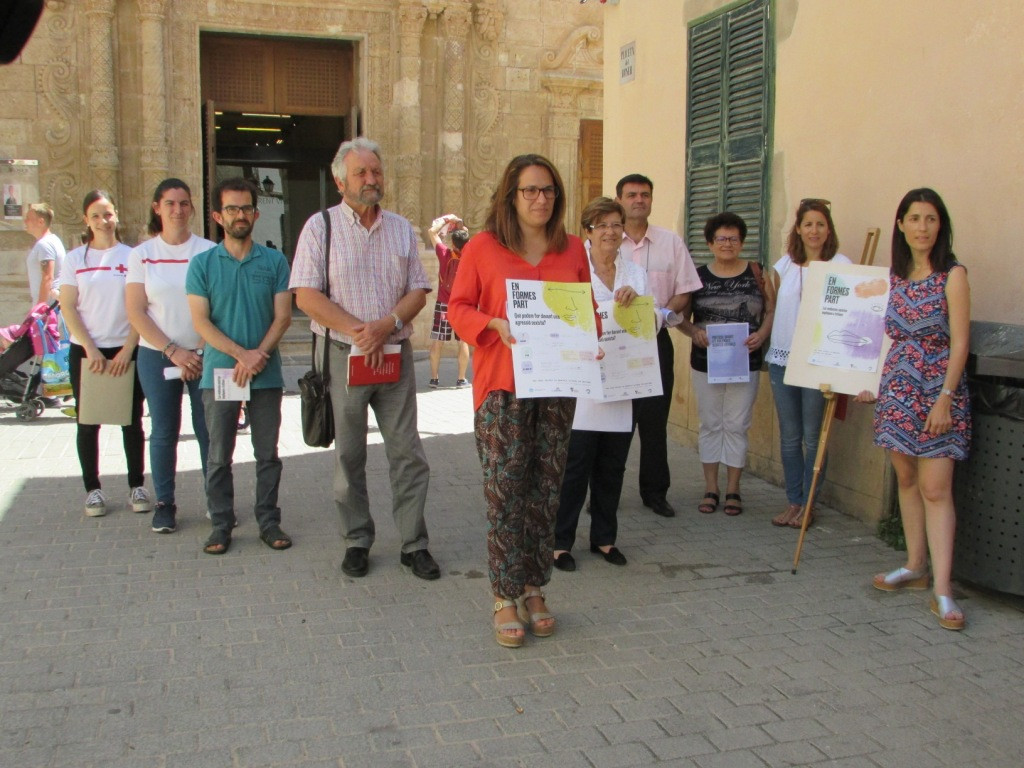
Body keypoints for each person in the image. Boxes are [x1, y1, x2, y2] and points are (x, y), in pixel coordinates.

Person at [448, 153, 600, 647]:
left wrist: (590, 337)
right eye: (531, 190)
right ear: (510, 196)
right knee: (504, 491)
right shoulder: (484, 248)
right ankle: (503, 595)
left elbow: (585, 308)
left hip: (556, 387)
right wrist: (488, 324)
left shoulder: (573, 248)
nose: (541, 199)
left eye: (549, 191)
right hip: (501, 386)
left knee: (545, 491)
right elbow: (457, 307)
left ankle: (535, 586)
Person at [290, 137, 439, 581]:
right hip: (344, 356)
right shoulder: (321, 227)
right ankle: (357, 539)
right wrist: (359, 330)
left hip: (393, 354)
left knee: (407, 453)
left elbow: (418, 288)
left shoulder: (400, 228)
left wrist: (387, 324)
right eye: (361, 173)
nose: (371, 180)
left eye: (376, 171)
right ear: (340, 180)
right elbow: (306, 295)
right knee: (349, 455)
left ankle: (415, 543)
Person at [855, 188, 970, 631]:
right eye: (914, 218)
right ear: (900, 224)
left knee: (936, 487)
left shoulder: (952, 275)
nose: (922, 227)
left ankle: (943, 588)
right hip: (898, 388)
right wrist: (867, 384)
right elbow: (873, 334)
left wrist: (945, 396)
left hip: (938, 390)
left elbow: (960, 342)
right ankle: (915, 564)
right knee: (905, 477)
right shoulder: (894, 277)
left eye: (931, 219)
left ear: (940, 226)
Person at [186, 177, 292, 555]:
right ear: (218, 216)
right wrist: (240, 356)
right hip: (221, 373)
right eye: (231, 209)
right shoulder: (201, 264)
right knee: (218, 454)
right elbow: (201, 322)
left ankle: (268, 521)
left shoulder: (275, 260)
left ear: (256, 213)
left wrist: (257, 355)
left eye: (246, 208)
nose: (240, 215)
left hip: (265, 374)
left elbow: (282, 317)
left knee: (267, 453)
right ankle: (220, 523)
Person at [553, 197, 651, 572]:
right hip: (585, 382)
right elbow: (562, 318)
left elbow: (653, 319)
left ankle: (605, 538)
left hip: (625, 381)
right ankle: (560, 542)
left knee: (613, 464)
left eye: (616, 224)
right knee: (576, 465)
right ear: (587, 232)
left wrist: (639, 304)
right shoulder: (574, 270)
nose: (610, 232)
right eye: (602, 225)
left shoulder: (635, 273)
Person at [126, 178, 216, 534]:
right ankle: (165, 503)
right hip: (158, 355)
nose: (177, 210)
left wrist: (203, 348)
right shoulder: (141, 255)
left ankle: (216, 499)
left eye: (183, 203)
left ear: (192, 207)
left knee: (209, 428)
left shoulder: (208, 251)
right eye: (170, 204)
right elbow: (136, 312)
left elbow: (219, 305)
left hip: (205, 353)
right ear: (157, 207)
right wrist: (173, 350)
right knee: (163, 431)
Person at [58, 190, 150, 517]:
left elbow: (143, 306)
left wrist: (128, 348)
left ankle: (137, 485)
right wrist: (90, 348)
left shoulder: (132, 256)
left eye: (108, 214)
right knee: (88, 421)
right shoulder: (74, 260)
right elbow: (68, 307)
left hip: (127, 349)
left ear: (117, 216)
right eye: (95, 216)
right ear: (86, 220)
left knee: (132, 420)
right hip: (87, 351)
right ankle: (93, 490)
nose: (103, 221)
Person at [615, 174, 701, 518]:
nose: (639, 200)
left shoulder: (671, 242)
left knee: (654, 422)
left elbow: (685, 290)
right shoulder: (603, 241)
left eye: (645, 195)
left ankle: (655, 493)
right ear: (619, 199)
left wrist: (664, 316)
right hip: (615, 346)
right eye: (632, 194)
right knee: (615, 422)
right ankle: (604, 492)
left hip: (655, 341)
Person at [678, 212, 775, 517]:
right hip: (706, 363)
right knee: (711, 424)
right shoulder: (696, 277)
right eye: (721, 238)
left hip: (744, 362)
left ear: (742, 242)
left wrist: (761, 334)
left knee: (737, 424)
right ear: (710, 243)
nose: (728, 244)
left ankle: (733, 488)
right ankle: (711, 487)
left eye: (734, 238)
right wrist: (694, 332)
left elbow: (771, 310)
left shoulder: (758, 273)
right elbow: (679, 316)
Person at [765, 199, 850, 528]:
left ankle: (809, 502)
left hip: (818, 363)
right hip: (783, 359)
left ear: (828, 229)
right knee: (789, 436)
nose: (814, 230)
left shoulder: (840, 265)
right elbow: (774, 311)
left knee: (814, 437)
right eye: (808, 224)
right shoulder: (784, 265)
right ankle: (794, 501)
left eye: (820, 224)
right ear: (798, 229)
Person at [426, 214, 471, 388]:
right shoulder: (470, 256)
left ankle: (434, 379)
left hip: (443, 304)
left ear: (453, 243)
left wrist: (448, 219)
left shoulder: (444, 253)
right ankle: (461, 379)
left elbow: (432, 232)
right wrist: (462, 226)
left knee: (438, 341)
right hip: (462, 305)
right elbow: (466, 239)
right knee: (463, 341)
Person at [22, 202, 65, 305]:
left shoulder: (44, 244)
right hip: (51, 306)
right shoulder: (51, 241)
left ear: (41, 222)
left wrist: (40, 308)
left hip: (48, 308)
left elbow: (47, 277)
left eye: (28, 218)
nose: (25, 221)